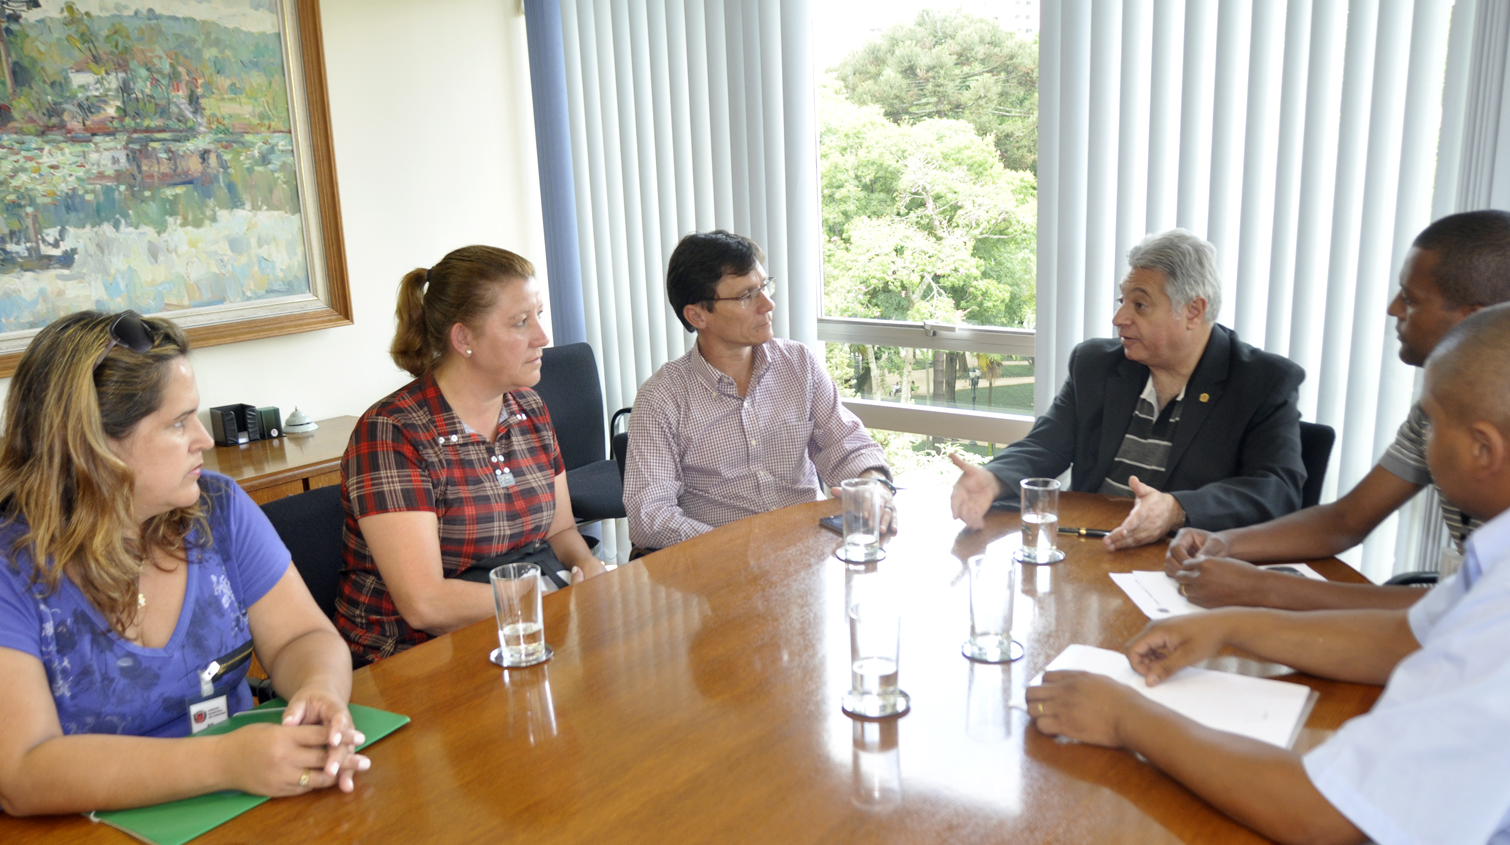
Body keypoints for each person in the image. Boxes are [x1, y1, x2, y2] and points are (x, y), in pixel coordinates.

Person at [1027, 300, 1510, 845]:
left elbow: (1321, 821)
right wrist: (1230, 626)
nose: (1421, 445)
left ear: (1483, 448)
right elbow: (1410, 633)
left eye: (1431, 425)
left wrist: (1127, 716)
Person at [0, 312, 365, 816]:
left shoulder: (218, 507)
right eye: (177, 422)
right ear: (93, 447)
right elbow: (23, 770)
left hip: (245, 802)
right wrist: (222, 761)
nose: (204, 438)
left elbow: (302, 638)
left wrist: (320, 691)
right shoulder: (11, 566)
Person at [1166, 210, 1510, 609]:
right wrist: (1225, 543)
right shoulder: (1439, 408)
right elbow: (1347, 520)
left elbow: (1487, 609)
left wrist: (1262, 588)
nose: (1393, 309)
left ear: (1475, 318)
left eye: (1411, 299)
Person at [949, 229, 1306, 549]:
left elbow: (1278, 489)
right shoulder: (1097, 365)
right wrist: (995, 478)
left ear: (1194, 311)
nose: (1119, 319)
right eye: (1123, 301)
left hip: (1182, 564)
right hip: (1088, 549)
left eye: (1140, 304)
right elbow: (1046, 442)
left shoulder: (1262, 382)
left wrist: (1178, 509)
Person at [337, 246, 606, 665]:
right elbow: (426, 604)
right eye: (521, 322)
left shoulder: (528, 408)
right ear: (463, 338)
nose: (543, 337)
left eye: (539, 314)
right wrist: (546, 597)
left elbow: (560, 531)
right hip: (412, 660)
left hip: (521, 629)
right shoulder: (392, 433)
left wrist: (586, 565)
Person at [623, 230, 894, 550]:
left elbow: (846, 444)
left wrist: (873, 484)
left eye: (764, 287)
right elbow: (649, 517)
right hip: (721, 571)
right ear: (697, 315)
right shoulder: (662, 398)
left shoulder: (798, 364)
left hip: (807, 553)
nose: (768, 304)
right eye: (746, 296)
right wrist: (739, 545)